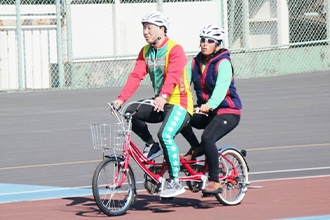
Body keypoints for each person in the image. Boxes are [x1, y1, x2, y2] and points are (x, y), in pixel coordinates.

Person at [112, 11, 194, 198]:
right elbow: (135, 76)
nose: (145, 32)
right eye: (143, 27)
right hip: (160, 102)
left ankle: (175, 181)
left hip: (179, 102)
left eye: (149, 28)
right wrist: (121, 99)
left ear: (162, 30)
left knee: (165, 134)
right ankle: (151, 145)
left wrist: (164, 95)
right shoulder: (145, 51)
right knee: (129, 112)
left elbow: (173, 75)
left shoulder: (175, 49)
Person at [180, 24, 242, 194]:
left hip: (227, 111)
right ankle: (196, 148)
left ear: (218, 44)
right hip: (206, 110)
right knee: (179, 117)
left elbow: (221, 90)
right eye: (202, 40)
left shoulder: (223, 63)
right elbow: (182, 83)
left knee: (208, 137)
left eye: (209, 41)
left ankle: (215, 180)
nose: (204, 44)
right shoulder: (194, 63)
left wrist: (210, 105)